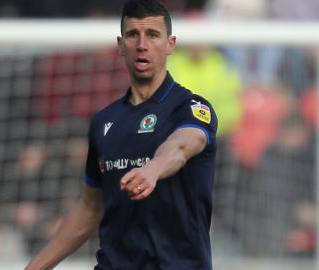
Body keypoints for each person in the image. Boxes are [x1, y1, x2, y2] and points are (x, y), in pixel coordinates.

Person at [26, 0, 218, 269]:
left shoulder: (191, 108)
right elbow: (90, 208)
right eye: (132, 35)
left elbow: (182, 146)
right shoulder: (104, 122)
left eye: (152, 35)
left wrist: (153, 169)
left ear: (170, 44)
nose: (142, 44)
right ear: (120, 45)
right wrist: (35, 267)